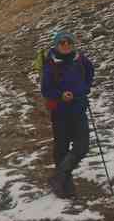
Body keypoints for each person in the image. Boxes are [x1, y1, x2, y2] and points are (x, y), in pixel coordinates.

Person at [40, 31, 95, 198]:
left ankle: (59, 177)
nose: (66, 45)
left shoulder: (81, 60)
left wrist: (83, 90)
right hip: (60, 111)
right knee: (61, 148)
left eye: (69, 42)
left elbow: (90, 74)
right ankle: (65, 186)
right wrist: (61, 95)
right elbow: (46, 89)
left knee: (82, 147)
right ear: (56, 45)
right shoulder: (50, 64)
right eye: (62, 43)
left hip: (78, 108)